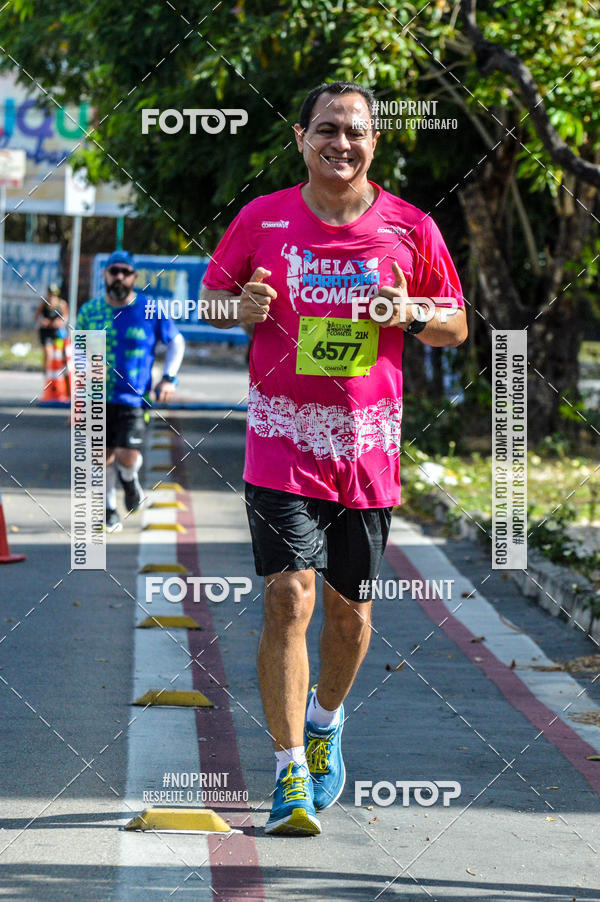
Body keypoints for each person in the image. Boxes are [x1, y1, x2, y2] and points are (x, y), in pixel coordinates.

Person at [201, 81, 468, 836]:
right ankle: (288, 774)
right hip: (281, 440)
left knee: (350, 619)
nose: (339, 143)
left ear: (374, 143)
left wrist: (412, 314)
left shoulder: (410, 228)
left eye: (354, 132)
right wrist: (239, 309)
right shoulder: (263, 219)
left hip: (366, 449)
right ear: (300, 137)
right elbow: (212, 298)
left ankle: (324, 723)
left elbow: (455, 325)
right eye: (326, 130)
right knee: (290, 598)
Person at [76, 250, 185, 532]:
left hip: (134, 398)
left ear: (134, 277)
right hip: (97, 397)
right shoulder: (90, 311)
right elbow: (79, 355)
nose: (119, 277)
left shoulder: (149, 309)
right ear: (105, 274)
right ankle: (110, 509)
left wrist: (169, 378)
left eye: (125, 272)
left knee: (128, 454)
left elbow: (177, 343)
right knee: (101, 455)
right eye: (114, 271)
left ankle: (129, 478)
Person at [35, 283, 69, 376]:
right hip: (46, 332)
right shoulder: (44, 304)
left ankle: (61, 373)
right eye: (51, 294)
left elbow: (65, 317)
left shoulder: (62, 304)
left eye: (54, 294)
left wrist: (60, 322)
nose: (52, 296)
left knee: (60, 352)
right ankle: (47, 373)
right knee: (48, 353)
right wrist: (43, 321)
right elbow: (37, 317)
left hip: (57, 332)